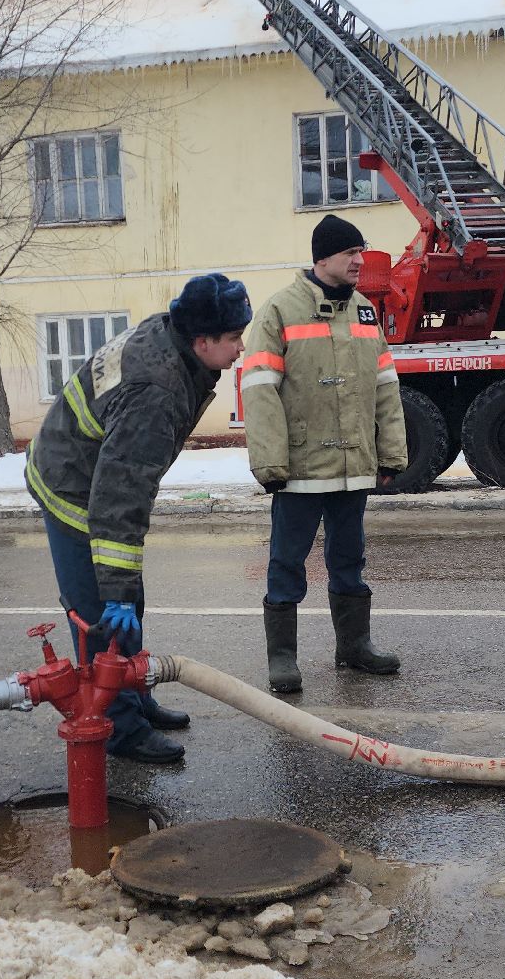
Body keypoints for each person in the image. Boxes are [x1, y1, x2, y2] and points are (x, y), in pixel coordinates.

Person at [26, 273, 251, 764]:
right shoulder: (157, 390)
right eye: (234, 338)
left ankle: (133, 693)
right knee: (99, 616)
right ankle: (118, 729)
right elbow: (118, 494)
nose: (240, 348)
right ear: (202, 340)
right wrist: (117, 590)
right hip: (73, 488)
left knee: (126, 604)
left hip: (89, 470)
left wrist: (125, 591)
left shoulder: (171, 336)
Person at [241, 214, 407, 695]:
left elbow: (385, 389)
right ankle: (282, 658)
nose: (361, 260)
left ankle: (354, 647)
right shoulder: (279, 310)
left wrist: (391, 453)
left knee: (350, 558)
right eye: (351, 252)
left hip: (353, 469)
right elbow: (258, 390)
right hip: (298, 470)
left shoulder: (364, 312)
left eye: (361, 251)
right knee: (287, 561)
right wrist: (270, 464)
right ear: (324, 257)